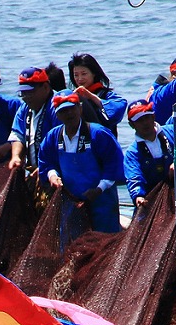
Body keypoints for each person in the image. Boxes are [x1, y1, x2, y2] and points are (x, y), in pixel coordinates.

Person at [38, 91, 125, 234]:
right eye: (63, 111)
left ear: (80, 108)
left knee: (105, 243)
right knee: (72, 246)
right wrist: (53, 176)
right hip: (70, 203)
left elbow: (114, 165)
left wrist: (99, 189)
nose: (69, 114)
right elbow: (46, 162)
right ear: (57, 115)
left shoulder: (98, 134)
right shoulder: (53, 136)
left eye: (72, 108)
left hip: (102, 202)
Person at [122, 100, 174, 213]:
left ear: (153, 116)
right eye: (139, 120)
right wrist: (138, 196)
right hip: (151, 201)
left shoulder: (174, 132)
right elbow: (134, 177)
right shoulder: (132, 153)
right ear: (132, 125)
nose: (145, 123)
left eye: (147, 117)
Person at [8, 66, 55, 173]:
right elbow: (17, 134)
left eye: (30, 92)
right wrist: (16, 156)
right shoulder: (24, 107)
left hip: (55, 171)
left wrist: (47, 169)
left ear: (45, 87)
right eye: (23, 93)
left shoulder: (56, 106)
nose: (26, 97)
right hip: (33, 170)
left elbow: (62, 143)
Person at [67, 53, 126, 135]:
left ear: (93, 73)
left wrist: (91, 97)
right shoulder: (72, 95)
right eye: (76, 75)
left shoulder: (106, 94)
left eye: (84, 74)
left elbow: (119, 108)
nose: (79, 79)